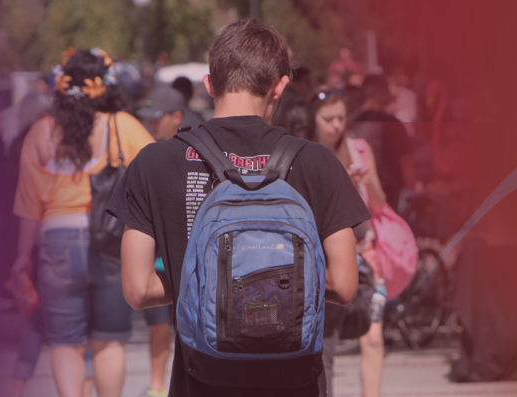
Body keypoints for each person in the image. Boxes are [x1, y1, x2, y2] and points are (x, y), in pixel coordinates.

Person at [107, 19, 370, 396]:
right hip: (295, 380)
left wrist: (205, 284)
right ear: (281, 84)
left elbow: (137, 288)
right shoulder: (317, 162)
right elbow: (344, 286)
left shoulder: (155, 162)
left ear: (210, 84)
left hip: (203, 377)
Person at [11, 47, 155, 397]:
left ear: (61, 85)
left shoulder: (40, 133)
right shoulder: (123, 126)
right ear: (106, 85)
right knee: (109, 342)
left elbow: (30, 206)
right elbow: (156, 176)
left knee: (65, 344)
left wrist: (21, 257)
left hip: (57, 243)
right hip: (110, 240)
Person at [306, 90, 390, 397]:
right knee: (327, 341)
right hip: (328, 258)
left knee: (373, 335)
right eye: (328, 119)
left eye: (341, 118)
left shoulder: (359, 148)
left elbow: (379, 206)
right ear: (314, 121)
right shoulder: (307, 155)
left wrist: (365, 184)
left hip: (365, 255)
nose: (336, 125)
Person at [132, 86, 191, 397]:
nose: (151, 125)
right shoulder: (146, 154)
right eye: (148, 119)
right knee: (157, 324)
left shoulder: (195, 155)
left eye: (157, 119)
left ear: (177, 117)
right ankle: (158, 385)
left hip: (185, 263)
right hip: (155, 262)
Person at [350, 75, 419, 206]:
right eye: (387, 89)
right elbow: (406, 163)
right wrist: (412, 196)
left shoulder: (351, 121)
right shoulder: (393, 124)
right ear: (378, 92)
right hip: (392, 197)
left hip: (361, 194)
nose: (391, 94)